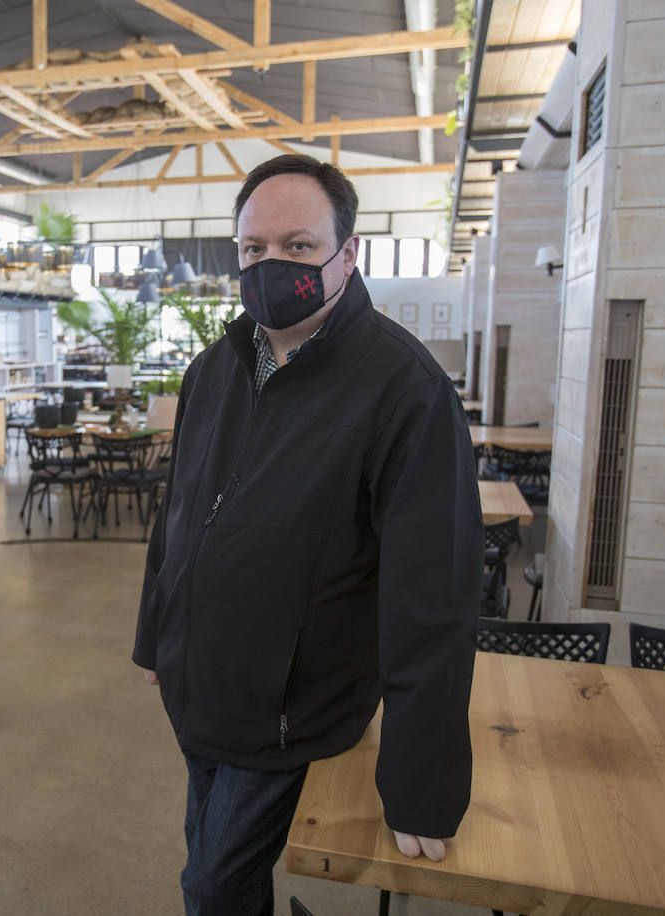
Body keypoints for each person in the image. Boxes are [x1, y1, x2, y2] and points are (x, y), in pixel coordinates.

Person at [133, 153, 483, 915]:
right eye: (254, 249)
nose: (270, 265)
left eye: (296, 246)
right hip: (202, 686)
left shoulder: (403, 388)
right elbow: (181, 515)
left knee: (212, 886)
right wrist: (154, 636)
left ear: (347, 254)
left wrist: (421, 782)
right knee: (213, 864)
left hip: (295, 705)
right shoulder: (213, 371)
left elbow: (434, 596)